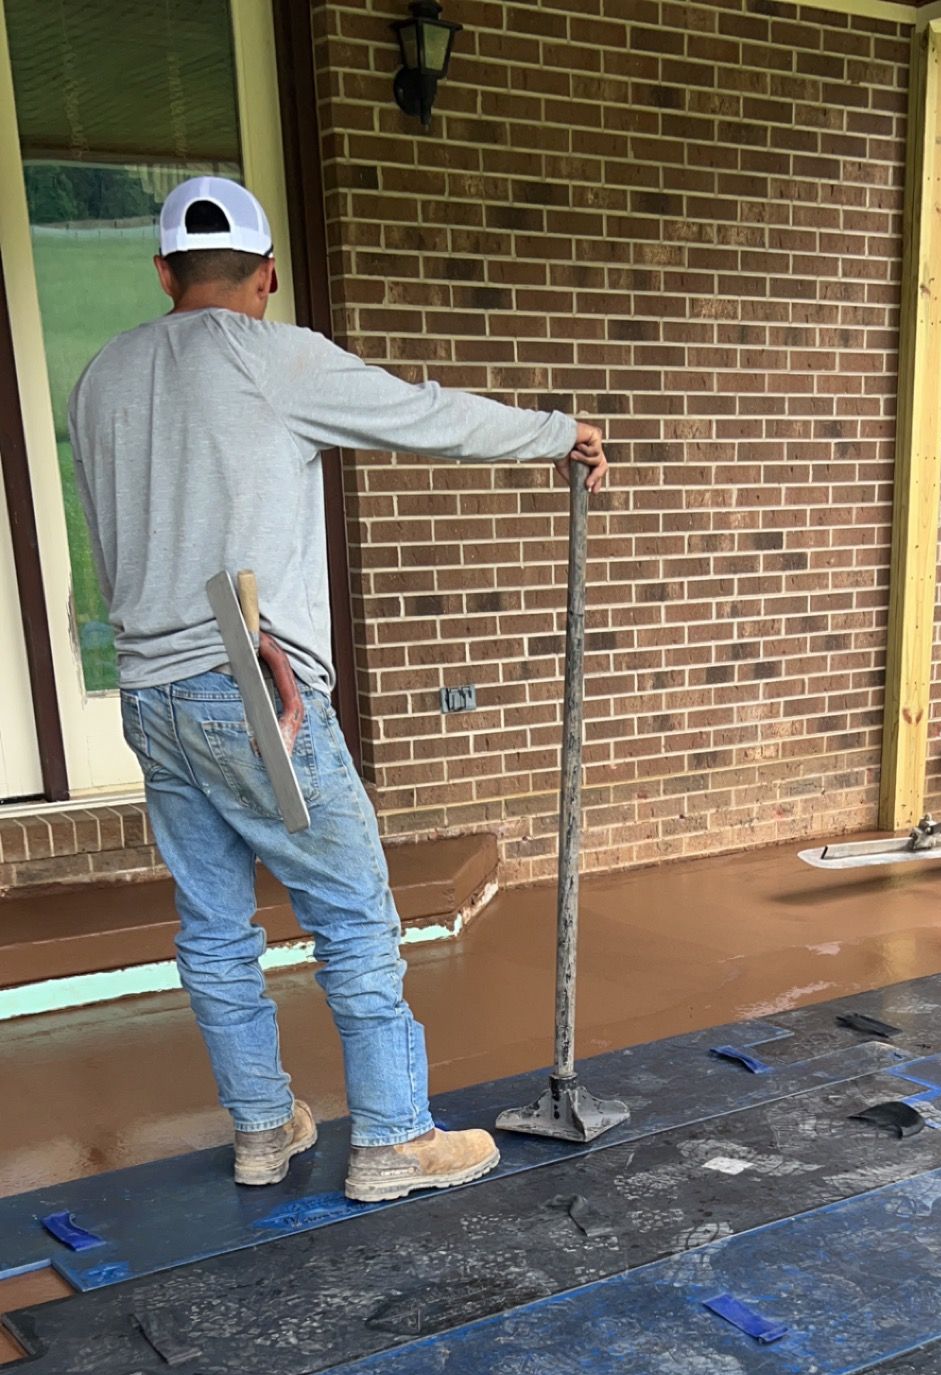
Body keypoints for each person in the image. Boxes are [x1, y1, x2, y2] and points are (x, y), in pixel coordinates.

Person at [68, 176, 608, 1199]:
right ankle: (395, 1140)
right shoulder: (272, 357)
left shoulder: (101, 378)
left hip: (153, 696)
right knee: (356, 913)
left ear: (163, 272)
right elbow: (424, 417)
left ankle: (265, 1133)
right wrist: (556, 433)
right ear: (266, 276)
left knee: (216, 928)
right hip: (252, 686)